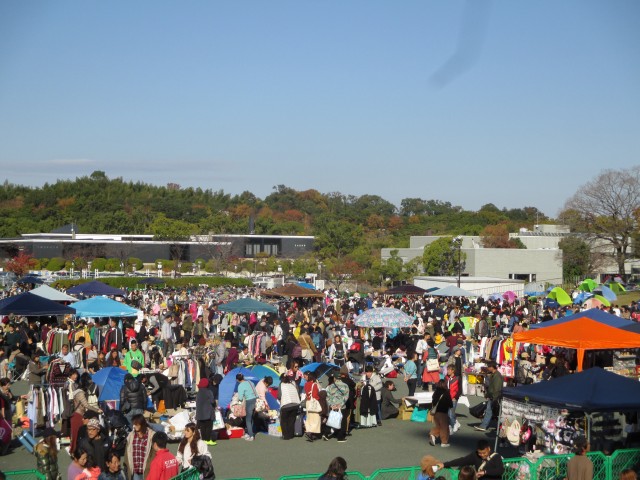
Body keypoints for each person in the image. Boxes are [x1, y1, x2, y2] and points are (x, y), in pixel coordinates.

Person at [437, 439, 504, 480]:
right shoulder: (475, 455)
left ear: (489, 449)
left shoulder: (496, 457)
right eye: (480, 453)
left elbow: (500, 470)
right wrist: (444, 464)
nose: (482, 455)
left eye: (484, 453)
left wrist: (485, 472)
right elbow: (462, 461)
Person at [71, 374, 103, 454]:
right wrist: (97, 410)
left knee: (76, 436)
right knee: (78, 437)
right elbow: (86, 405)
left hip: (77, 415)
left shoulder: (77, 391)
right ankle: (76, 453)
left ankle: (77, 452)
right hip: (78, 415)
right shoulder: (80, 393)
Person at [475, 361, 503, 432]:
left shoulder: (497, 376)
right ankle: (495, 426)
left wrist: (494, 397)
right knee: (493, 412)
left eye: (488, 367)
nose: (488, 368)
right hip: (493, 396)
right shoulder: (494, 375)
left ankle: (484, 426)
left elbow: (497, 388)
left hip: (494, 397)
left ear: (492, 367)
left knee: (490, 412)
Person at [125, 414, 154, 480]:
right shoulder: (131, 435)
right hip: (136, 470)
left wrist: (150, 466)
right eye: (134, 424)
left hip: (147, 469)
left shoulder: (151, 435)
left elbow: (153, 453)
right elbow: (127, 452)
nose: (134, 426)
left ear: (142, 424)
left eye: (136, 424)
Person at [323, 374, 349, 443]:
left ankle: (326, 433)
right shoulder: (345, 385)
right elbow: (346, 396)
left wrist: (331, 405)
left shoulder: (330, 386)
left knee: (331, 419)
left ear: (334, 378)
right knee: (342, 421)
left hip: (333, 406)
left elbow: (327, 397)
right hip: (341, 406)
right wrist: (340, 404)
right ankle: (340, 437)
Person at [429, 379, 453, 447]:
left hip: (436, 413)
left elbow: (433, 401)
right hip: (443, 413)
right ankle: (444, 442)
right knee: (444, 428)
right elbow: (450, 403)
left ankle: (432, 434)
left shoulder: (435, 392)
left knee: (438, 426)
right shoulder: (446, 392)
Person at [278, 373, 301, 440]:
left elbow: (279, 396)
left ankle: (286, 436)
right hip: (295, 403)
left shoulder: (281, 385)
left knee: (284, 421)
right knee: (292, 419)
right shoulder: (293, 383)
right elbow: (297, 391)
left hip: (286, 404)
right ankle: (291, 434)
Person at [195, 378, 217, 445]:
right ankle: (208, 440)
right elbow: (212, 401)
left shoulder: (198, 392)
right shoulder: (209, 392)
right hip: (208, 413)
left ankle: (204, 440)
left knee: (202, 427)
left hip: (200, 413)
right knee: (209, 427)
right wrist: (215, 404)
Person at [236, 373, 257, 441]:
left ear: (237, 380)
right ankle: (250, 433)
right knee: (251, 418)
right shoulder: (250, 382)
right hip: (256, 400)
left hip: (249, 402)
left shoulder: (240, 386)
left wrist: (237, 403)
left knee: (248, 419)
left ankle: (251, 436)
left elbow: (240, 398)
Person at [304, 371, 323, 442]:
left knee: (309, 418)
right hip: (314, 402)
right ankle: (312, 434)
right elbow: (315, 395)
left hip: (308, 402)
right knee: (316, 419)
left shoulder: (306, 384)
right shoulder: (314, 385)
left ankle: (308, 431)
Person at [445, 364, 462, 434]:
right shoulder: (446, 378)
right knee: (447, 413)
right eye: (447, 369)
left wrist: (456, 397)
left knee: (450, 414)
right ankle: (455, 422)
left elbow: (460, 390)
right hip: (447, 398)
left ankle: (451, 427)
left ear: (453, 371)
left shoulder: (458, 378)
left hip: (453, 398)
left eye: (449, 370)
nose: (447, 371)